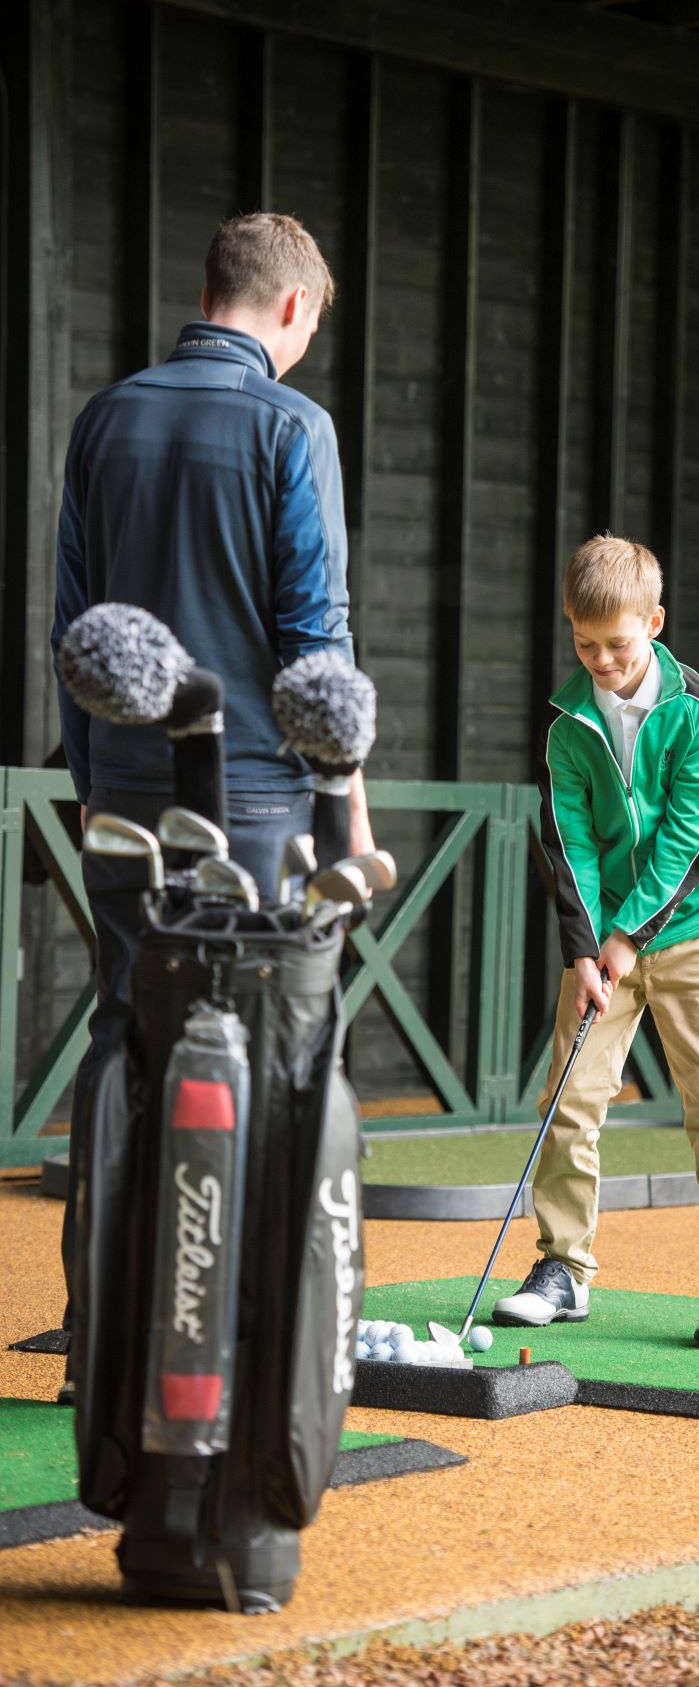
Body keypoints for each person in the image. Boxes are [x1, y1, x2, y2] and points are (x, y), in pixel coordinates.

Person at [51, 212, 373, 1369]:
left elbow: (73, 632)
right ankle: (234, 1331)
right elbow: (315, 643)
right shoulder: (297, 426)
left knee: (126, 1042)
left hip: (128, 798)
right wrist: (347, 810)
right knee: (266, 1056)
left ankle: (101, 1336)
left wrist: (95, 786)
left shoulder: (107, 416)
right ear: (291, 307)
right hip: (260, 808)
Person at [493, 535, 699, 1348]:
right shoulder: (567, 723)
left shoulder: (697, 709)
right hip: (603, 945)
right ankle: (563, 1269)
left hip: (695, 929)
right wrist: (586, 949)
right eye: (585, 642)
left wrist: (623, 938)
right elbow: (567, 843)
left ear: (654, 620)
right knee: (569, 1100)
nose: (602, 659)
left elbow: (690, 838)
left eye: (618, 642)